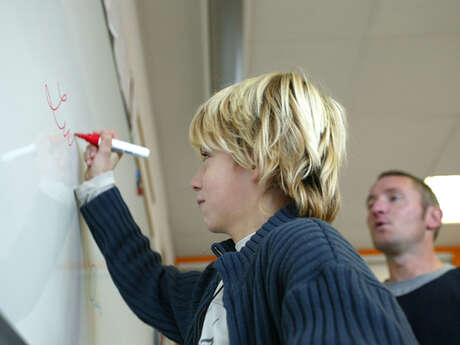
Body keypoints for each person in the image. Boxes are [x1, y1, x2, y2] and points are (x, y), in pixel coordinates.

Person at [76, 72, 418, 344]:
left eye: (207, 157)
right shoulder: (223, 282)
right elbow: (148, 283)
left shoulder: (307, 246)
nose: (195, 180)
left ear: (258, 159)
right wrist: (99, 185)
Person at [366, 170, 460, 345]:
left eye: (394, 198)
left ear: (433, 217)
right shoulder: (366, 303)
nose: (376, 209)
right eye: (370, 204)